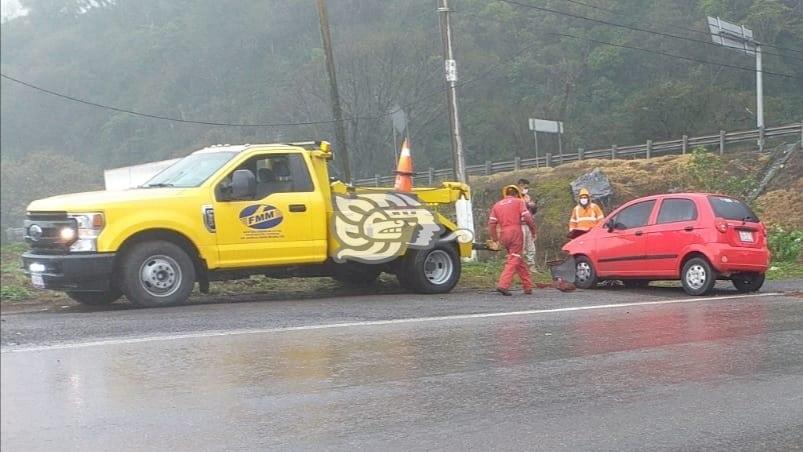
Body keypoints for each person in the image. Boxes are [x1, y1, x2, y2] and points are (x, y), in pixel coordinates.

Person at [488, 185, 537, 296]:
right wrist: (533, 231)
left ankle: (528, 286)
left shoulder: (497, 205)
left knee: (517, 258)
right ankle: (503, 285)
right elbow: (528, 218)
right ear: (516, 193)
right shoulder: (519, 202)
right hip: (515, 232)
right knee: (514, 259)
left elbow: (491, 224)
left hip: (503, 234)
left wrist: (495, 238)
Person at [516, 178, 538, 272]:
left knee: (531, 246)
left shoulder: (527, 197)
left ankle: (531, 266)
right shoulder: (515, 197)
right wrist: (527, 204)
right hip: (519, 224)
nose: (526, 189)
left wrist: (533, 206)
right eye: (524, 187)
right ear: (519, 186)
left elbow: (531, 211)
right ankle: (520, 267)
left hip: (528, 224)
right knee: (521, 246)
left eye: (527, 187)